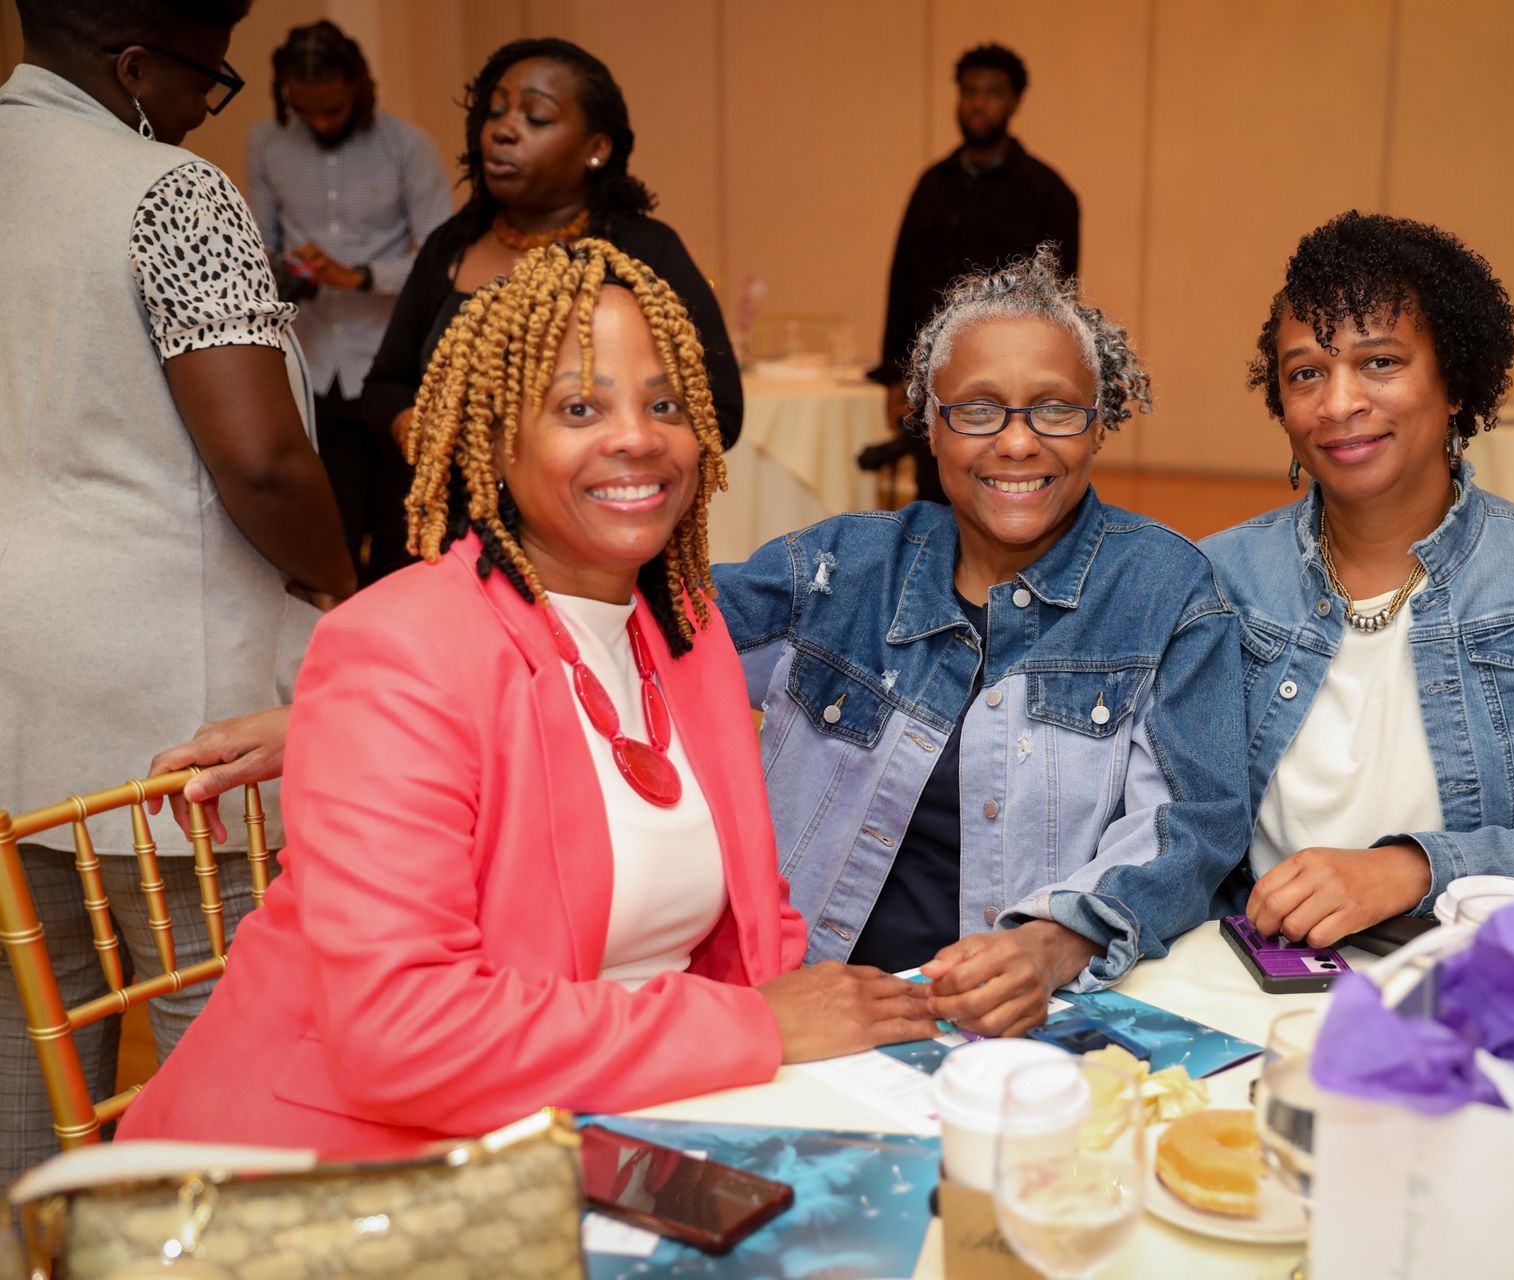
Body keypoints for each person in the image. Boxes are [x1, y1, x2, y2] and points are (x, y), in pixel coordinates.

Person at [118, 241, 936, 1150]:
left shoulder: (684, 628)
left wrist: (794, 1075)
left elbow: (753, 921)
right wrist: (755, 1033)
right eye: (579, 407)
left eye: (664, 403)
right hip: (362, 1170)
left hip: (614, 1125)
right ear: (495, 441)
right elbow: (404, 1038)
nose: (637, 436)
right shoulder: (398, 650)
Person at [715, 249, 1248, 1037]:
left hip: (1016, 1033)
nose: (1018, 442)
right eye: (978, 408)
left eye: (1055, 408)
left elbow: (1193, 826)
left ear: (1100, 424)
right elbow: (649, 647)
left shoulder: (1164, 592)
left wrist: (1056, 941)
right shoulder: (838, 571)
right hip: (804, 1016)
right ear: (928, 426)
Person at [0, 0, 356, 1178]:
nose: (217, 106)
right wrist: (349, 599)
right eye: (212, 76)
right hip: (166, 711)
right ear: (138, 65)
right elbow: (259, 455)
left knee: (33, 1070)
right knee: (232, 1068)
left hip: (16, 696)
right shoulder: (170, 193)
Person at [1203, 211, 1514, 949]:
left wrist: (1412, 869)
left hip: (1480, 975)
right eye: (1307, 373)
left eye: (1380, 362)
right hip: (1255, 973)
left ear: (1454, 385)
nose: (1339, 402)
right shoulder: (1219, 581)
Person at [361, 37, 741, 584]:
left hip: (597, 562)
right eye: (495, 112)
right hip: (443, 546)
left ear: (597, 149)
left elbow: (718, 407)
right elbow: (385, 386)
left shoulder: (644, 252)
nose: (504, 129)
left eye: (536, 117)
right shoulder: (452, 246)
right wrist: (451, 439)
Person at [247, 19, 453, 584]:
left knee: (399, 528)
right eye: (304, 109)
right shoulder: (266, 143)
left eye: (332, 110)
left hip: (390, 367)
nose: (318, 121)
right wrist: (288, 270)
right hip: (310, 366)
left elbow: (443, 259)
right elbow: (259, 244)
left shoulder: (406, 146)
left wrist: (359, 276)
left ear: (359, 88)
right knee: (330, 523)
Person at [871, 43, 1080, 506]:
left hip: (1011, 383)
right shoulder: (932, 184)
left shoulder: (1048, 193)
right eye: (969, 92)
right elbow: (901, 280)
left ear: (1015, 102)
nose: (978, 103)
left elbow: (1059, 304)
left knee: (1004, 492)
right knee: (933, 494)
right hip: (934, 378)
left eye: (992, 92)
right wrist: (894, 377)